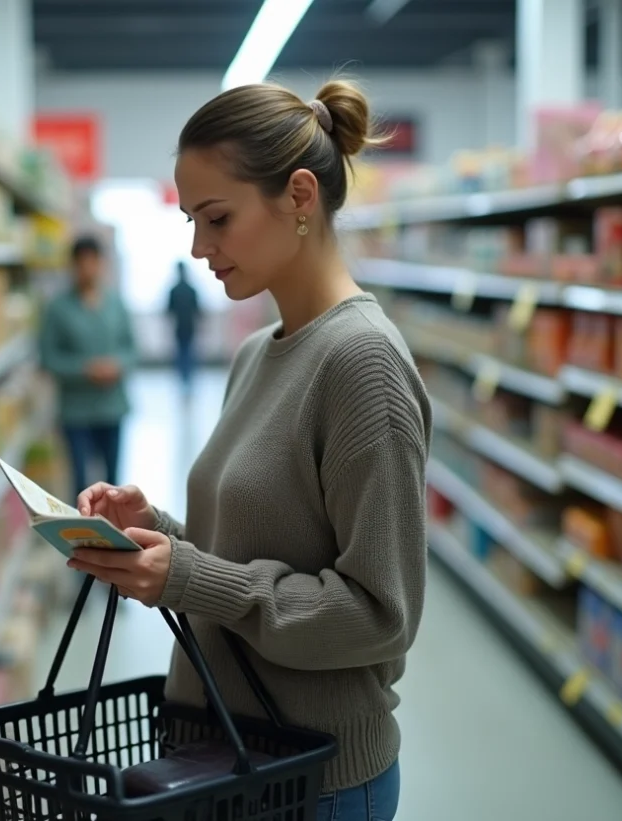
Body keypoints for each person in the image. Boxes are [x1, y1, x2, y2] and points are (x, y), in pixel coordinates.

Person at [68, 80, 429, 821]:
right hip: (228, 758)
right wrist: (159, 531)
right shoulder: (259, 353)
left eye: (218, 218)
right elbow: (259, 548)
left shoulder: (362, 363)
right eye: (192, 221)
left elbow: (379, 614)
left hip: (315, 778)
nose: (199, 248)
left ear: (300, 196)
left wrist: (190, 575)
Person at [38, 235, 137, 494]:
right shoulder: (58, 308)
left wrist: (117, 365)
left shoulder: (115, 303)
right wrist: (85, 369)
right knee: (80, 481)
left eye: (93, 262)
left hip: (112, 406)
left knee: (114, 481)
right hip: (76, 411)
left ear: (101, 264)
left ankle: (114, 531)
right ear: (72, 266)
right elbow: (48, 358)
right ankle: (81, 532)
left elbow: (131, 348)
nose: (87, 269)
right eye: (81, 263)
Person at [166, 261, 202, 388]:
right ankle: (187, 379)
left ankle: (184, 379)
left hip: (181, 326)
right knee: (187, 352)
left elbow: (169, 310)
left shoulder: (174, 290)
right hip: (188, 326)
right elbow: (198, 310)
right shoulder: (191, 289)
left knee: (183, 352)